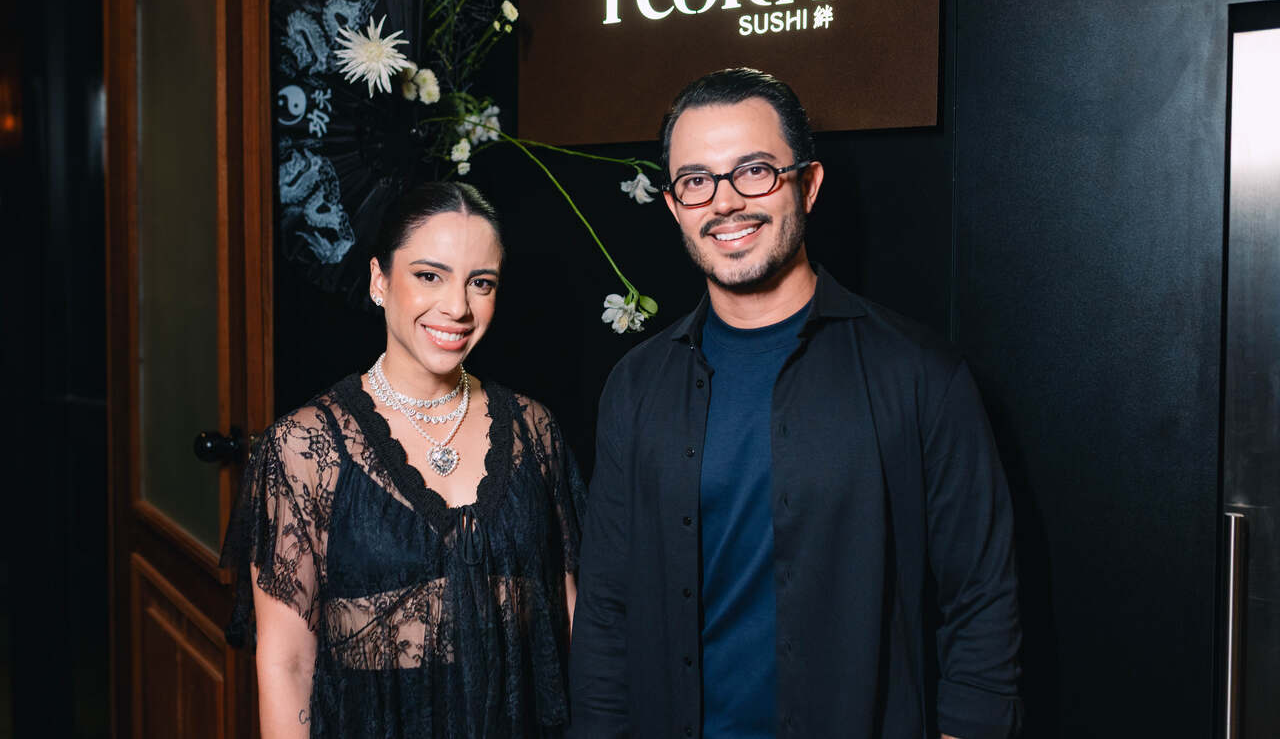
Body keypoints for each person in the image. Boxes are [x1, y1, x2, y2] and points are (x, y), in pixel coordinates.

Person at [569, 69, 1022, 739]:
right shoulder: (636, 386)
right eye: (696, 181)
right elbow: (608, 606)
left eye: (754, 171)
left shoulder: (919, 374)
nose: (725, 202)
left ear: (807, 184)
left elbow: (981, 597)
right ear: (673, 205)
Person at [223, 181, 585, 738]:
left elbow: (570, 622)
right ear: (379, 280)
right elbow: (287, 663)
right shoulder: (302, 448)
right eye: (429, 276)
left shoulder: (533, 430)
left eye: (480, 283)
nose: (457, 307)